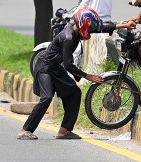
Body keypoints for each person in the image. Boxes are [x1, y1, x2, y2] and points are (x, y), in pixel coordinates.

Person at [17, 8, 106, 140]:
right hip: (44, 68)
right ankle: (25, 130)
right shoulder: (68, 38)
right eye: (90, 28)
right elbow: (69, 65)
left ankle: (64, 131)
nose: (91, 31)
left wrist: (122, 25)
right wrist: (87, 76)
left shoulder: (75, 28)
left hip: (55, 68)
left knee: (74, 93)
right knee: (46, 97)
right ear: (83, 26)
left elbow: (99, 28)